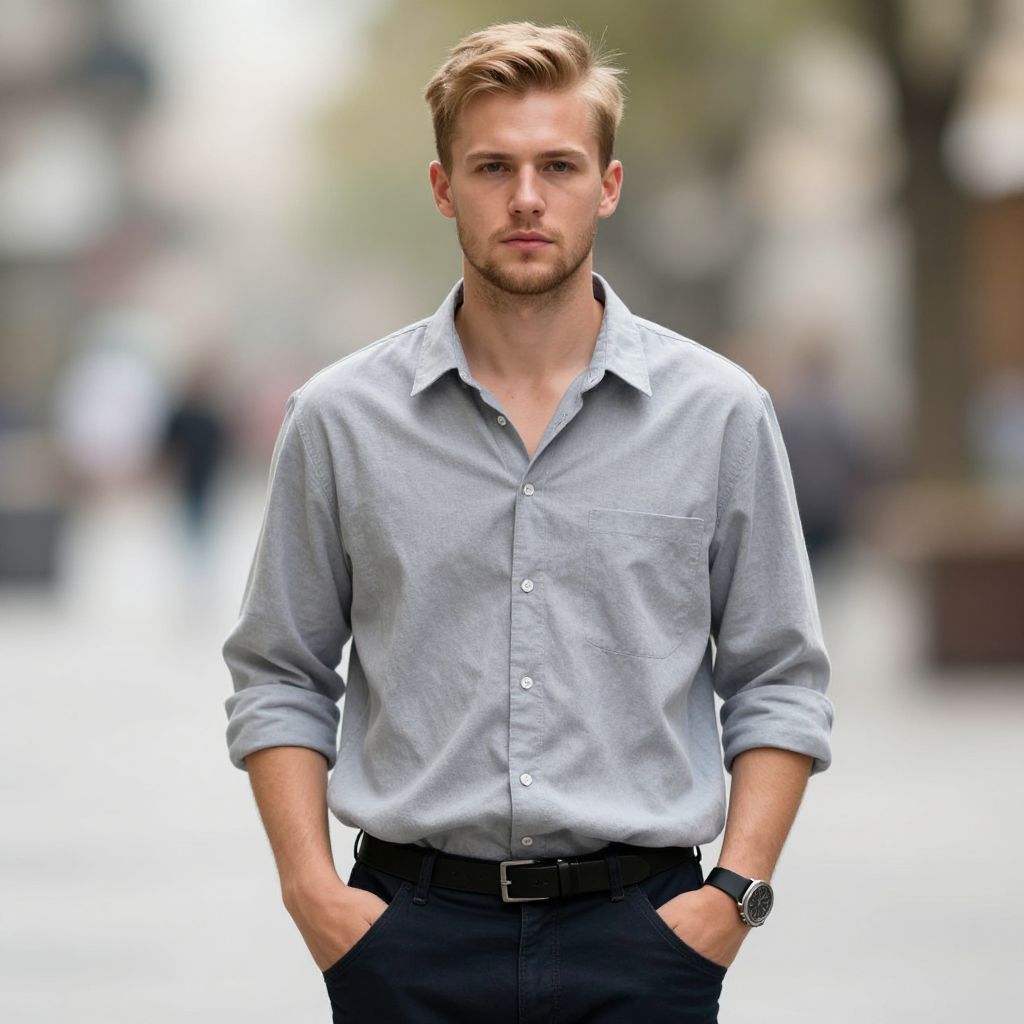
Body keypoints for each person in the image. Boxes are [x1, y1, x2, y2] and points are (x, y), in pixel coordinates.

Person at [222, 21, 834, 1023]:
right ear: (442, 187)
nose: (525, 198)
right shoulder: (339, 419)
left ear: (608, 185)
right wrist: (312, 894)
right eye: (492, 167)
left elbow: (778, 678)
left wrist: (733, 896)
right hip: (407, 941)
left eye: (558, 165)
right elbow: (281, 671)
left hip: (643, 940)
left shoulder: (720, 414)